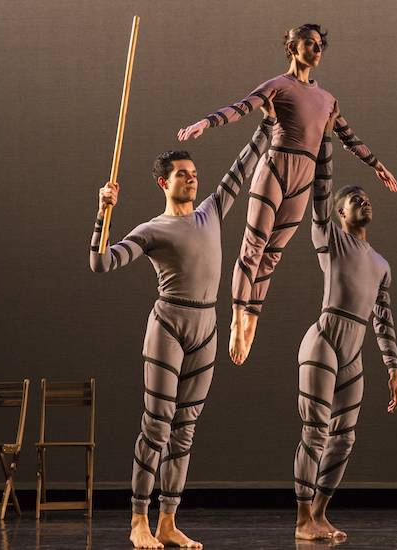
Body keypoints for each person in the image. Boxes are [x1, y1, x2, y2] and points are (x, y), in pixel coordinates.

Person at [90, 112, 275, 549]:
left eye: (194, 174)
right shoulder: (153, 229)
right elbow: (101, 263)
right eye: (182, 175)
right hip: (169, 325)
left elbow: (242, 165)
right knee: (157, 424)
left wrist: (267, 125)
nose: (192, 180)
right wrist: (103, 212)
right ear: (163, 183)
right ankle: (139, 522)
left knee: (185, 429)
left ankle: (169, 523)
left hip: (206, 327)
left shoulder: (211, 210)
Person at [178, 23, 397, 366]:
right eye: (309, 44)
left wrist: (377, 165)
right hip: (276, 168)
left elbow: (348, 137)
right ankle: (237, 315)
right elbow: (242, 107)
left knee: (272, 255)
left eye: (319, 44)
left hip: (304, 178)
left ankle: (252, 316)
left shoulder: (328, 99)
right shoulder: (278, 85)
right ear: (293, 49)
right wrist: (206, 123)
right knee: (254, 246)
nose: (316, 49)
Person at [293, 113, 397, 540]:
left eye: (366, 196)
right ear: (340, 213)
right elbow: (319, 195)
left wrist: (393, 368)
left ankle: (319, 513)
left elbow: (383, 319)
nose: (364, 200)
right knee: (315, 431)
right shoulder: (331, 239)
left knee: (343, 438)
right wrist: (324, 144)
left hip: (354, 352)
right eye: (354, 197)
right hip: (324, 341)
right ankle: (303, 520)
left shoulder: (380, 264)